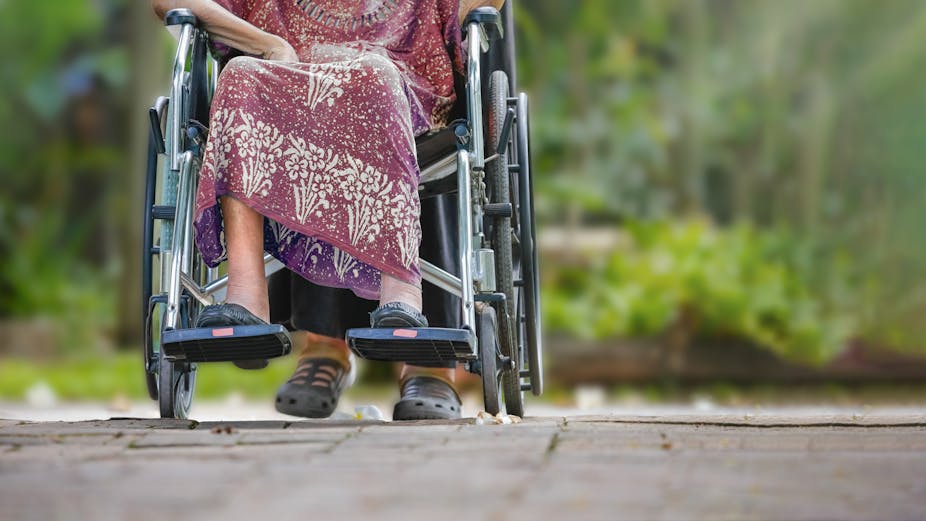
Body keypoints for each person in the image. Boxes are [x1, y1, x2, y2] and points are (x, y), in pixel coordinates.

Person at [150, 0, 505, 420]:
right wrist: (267, 43)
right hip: (289, 96)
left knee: (372, 75)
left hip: (396, 90)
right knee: (240, 74)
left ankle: (403, 299)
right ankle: (247, 298)